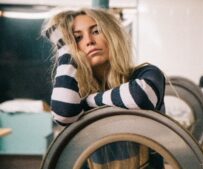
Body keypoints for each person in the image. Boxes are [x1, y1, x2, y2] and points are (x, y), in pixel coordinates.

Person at [42, 8, 165, 169]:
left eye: (96, 31)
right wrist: (66, 53)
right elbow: (64, 114)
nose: (89, 41)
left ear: (112, 34)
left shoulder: (146, 75)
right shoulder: (73, 92)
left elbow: (141, 96)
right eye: (77, 38)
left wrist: (87, 102)